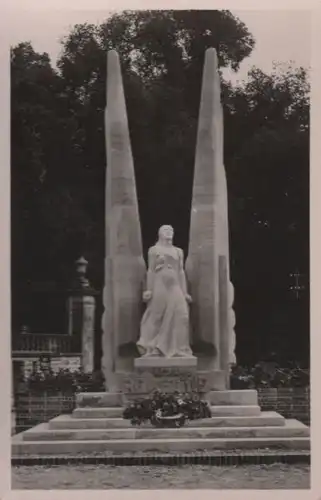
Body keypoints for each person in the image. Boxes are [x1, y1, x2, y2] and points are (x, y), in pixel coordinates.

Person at [137, 225, 193, 358]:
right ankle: (152, 346)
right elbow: (150, 270)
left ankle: (180, 348)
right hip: (159, 283)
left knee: (181, 314)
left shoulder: (178, 251)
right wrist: (148, 289)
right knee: (157, 313)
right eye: (165, 230)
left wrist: (184, 292)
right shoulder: (154, 250)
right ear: (159, 233)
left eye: (171, 230)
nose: (169, 232)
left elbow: (181, 271)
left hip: (175, 285)